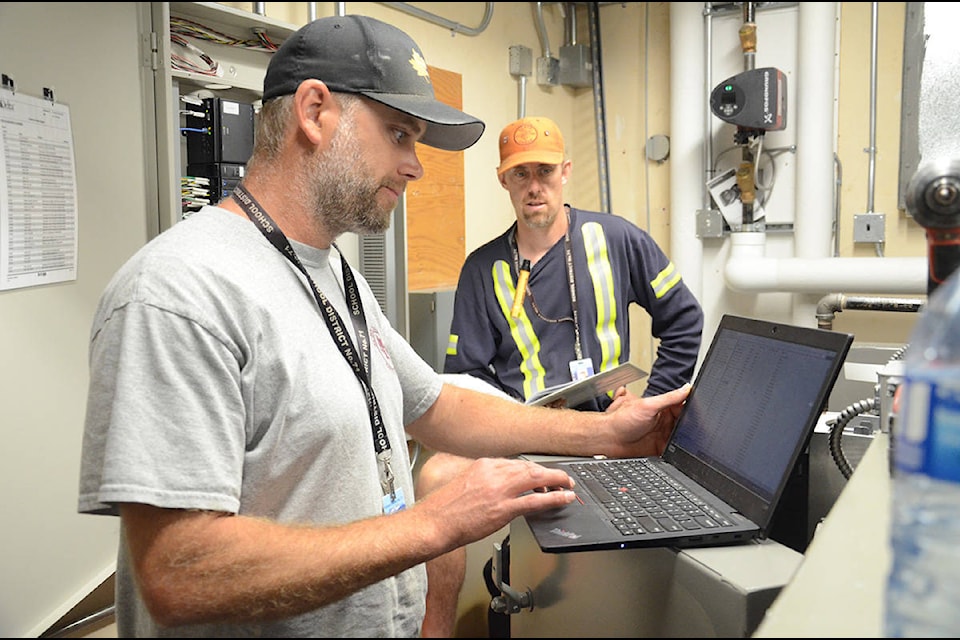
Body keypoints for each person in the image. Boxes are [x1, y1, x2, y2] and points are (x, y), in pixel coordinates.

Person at [76, 15, 691, 639]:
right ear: (315, 112)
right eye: (399, 134)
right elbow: (180, 573)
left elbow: (438, 405)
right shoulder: (179, 292)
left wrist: (608, 437)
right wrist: (436, 522)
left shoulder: (331, 271)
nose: (414, 166)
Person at [418, 115, 704, 635]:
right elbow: (465, 378)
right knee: (435, 476)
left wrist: (654, 398)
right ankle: (434, 629)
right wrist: (510, 423)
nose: (534, 186)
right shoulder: (483, 270)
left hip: (608, 433)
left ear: (566, 172)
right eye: (520, 174)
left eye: (545, 172)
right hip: (520, 436)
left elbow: (684, 319)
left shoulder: (616, 238)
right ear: (503, 181)